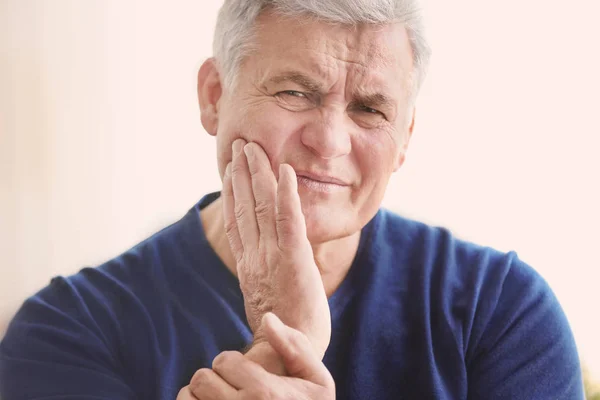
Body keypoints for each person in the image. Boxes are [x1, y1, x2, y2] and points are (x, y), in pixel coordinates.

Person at [0, 0, 584, 399]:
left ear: (404, 138)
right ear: (213, 95)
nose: (329, 142)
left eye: (370, 109)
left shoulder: (503, 313)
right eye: (295, 92)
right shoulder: (69, 330)